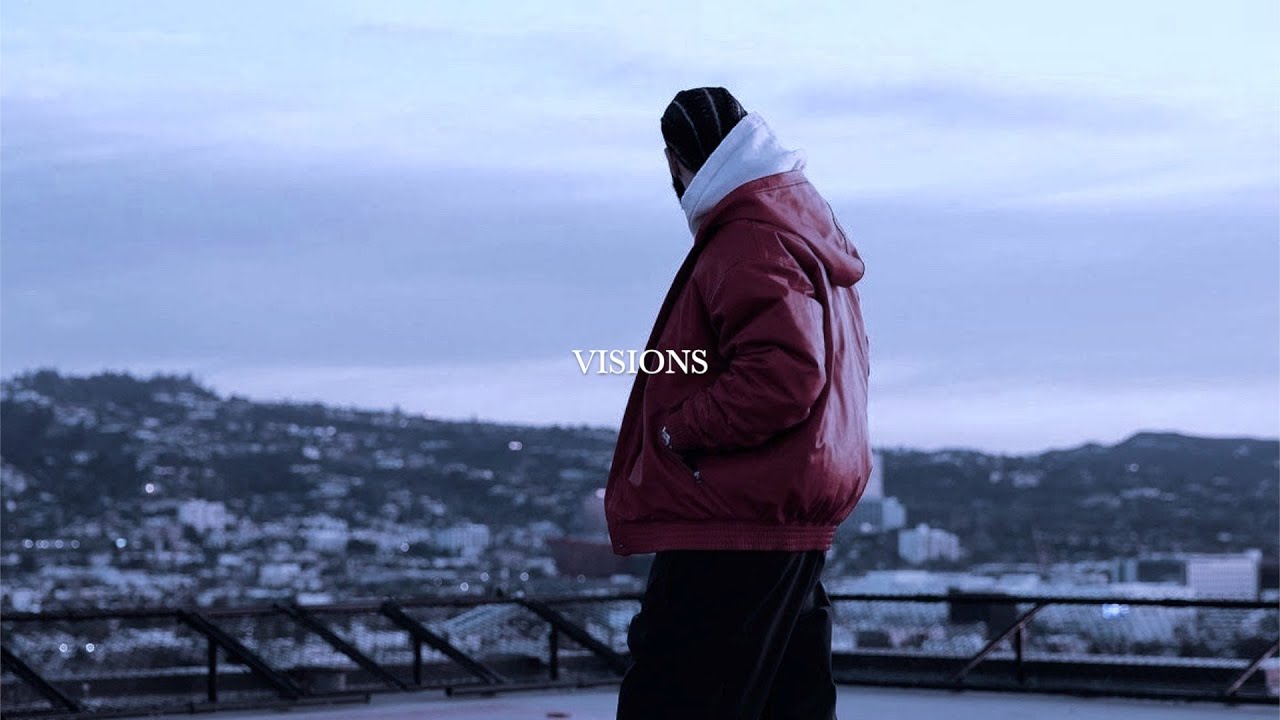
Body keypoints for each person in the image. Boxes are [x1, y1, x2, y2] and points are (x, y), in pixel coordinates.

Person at [605, 87, 873, 720]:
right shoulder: (795, 227)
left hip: (733, 514)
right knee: (786, 701)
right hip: (785, 510)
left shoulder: (748, 239)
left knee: (675, 696)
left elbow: (783, 374)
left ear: (676, 160)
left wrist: (676, 431)